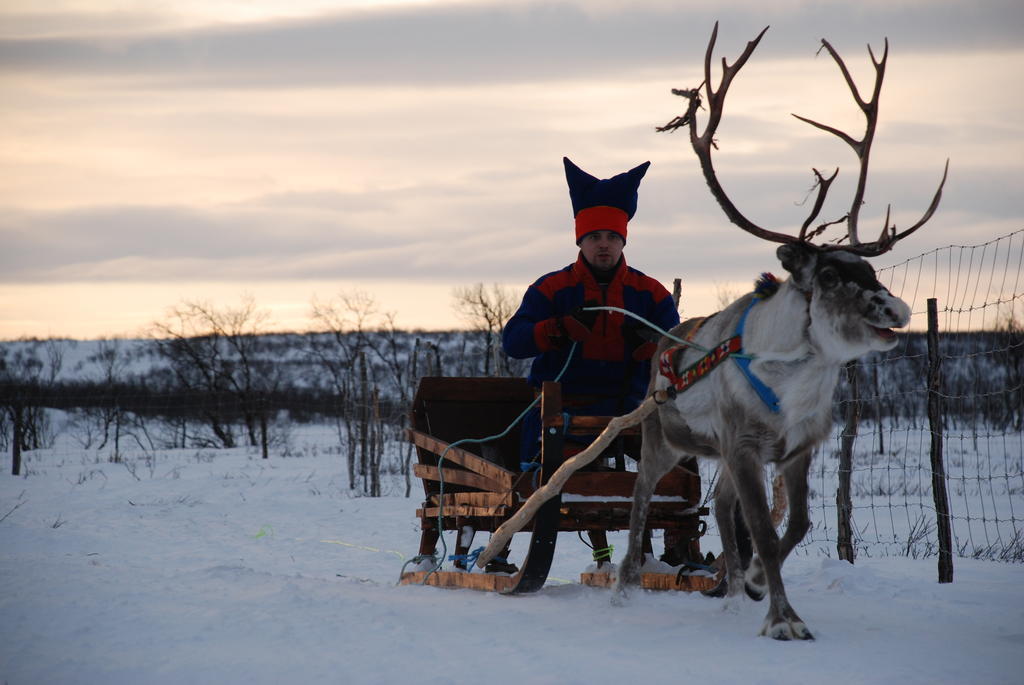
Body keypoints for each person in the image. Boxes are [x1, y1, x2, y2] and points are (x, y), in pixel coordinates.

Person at [496, 156, 681, 573]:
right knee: (534, 461)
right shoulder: (551, 288)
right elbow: (514, 341)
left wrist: (649, 351)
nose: (603, 244)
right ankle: (505, 542)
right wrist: (555, 329)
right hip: (558, 410)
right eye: (594, 236)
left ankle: (672, 543)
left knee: (682, 444)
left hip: (631, 408)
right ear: (579, 241)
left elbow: (678, 352)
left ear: (623, 241)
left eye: (611, 237)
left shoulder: (649, 294)